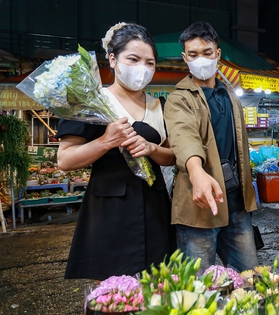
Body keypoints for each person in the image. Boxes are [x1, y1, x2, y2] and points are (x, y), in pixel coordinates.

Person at [56, 23, 176, 280]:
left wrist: (152, 148)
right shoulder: (91, 102)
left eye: (150, 63)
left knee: (156, 286)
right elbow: (65, 159)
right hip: (109, 211)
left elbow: (172, 155)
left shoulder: (159, 106)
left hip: (155, 207)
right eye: (133, 59)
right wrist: (105, 142)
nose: (142, 69)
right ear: (112, 59)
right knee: (115, 291)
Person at [163, 21, 258, 274]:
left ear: (217, 54)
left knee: (250, 280)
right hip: (199, 208)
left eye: (207, 53)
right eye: (193, 55)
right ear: (185, 58)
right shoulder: (179, 98)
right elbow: (184, 137)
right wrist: (196, 171)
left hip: (237, 206)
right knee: (197, 288)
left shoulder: (230, 94)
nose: (201, 59)